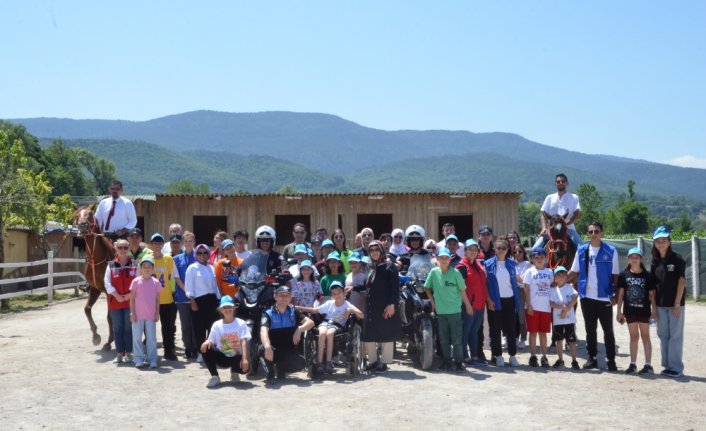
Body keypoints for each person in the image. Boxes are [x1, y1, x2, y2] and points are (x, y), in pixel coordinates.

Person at [568, 221, 619, 371]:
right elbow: (573, 272)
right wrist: (556, 280)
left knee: (608, 330)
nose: (593, 234)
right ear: (587, 234)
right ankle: (592, 358)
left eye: (596, 231)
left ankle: (611, 359)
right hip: (586, 297)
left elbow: (615, 274)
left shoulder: (611, 251)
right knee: (590, 330)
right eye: (590, 232)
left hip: (604, 297)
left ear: (601, 233)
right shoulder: (581, 251)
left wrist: (614, 293)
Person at [296, 281, 364, 374]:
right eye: (334, 293)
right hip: (325, 323)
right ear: (332, 295)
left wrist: (350, 310)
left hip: (338, 325)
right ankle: (320, 363)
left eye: (339, 292)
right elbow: (314, 310)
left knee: (330, 333)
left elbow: (361, 315)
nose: (337, 295)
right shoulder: (329, 303)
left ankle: (328, 362)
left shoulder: (347, 304)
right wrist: (297, 307)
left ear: (344, 292)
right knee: (322, 333)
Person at [424, 248, 473, 371]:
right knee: (444, 339)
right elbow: (427, 288)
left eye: (446, 258)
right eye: (441, 258)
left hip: (455, 312)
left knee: (456, 339)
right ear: (438, 259)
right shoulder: (434, 272)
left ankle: (458, 362)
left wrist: (467, 305)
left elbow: (462, 290)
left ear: (450, 259)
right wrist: (433, 302)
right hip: (441, 312)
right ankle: (446, 361)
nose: (444, 260)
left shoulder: (455, 273)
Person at [650, 226, 686, 377]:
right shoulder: (654, 262)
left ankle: (676, 367)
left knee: (675, 336)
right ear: (655, 244)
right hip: (660, 305)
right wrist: (653, 307)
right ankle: (667, 365)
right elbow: (652, 287)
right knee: (663, 335)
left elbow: (682, 281)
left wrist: (677, 303)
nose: (661, 243)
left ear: (669, 242)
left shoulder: (677, 259)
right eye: (658, 241)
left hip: (675, 305)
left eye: (664, 240)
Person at [361, 240, 400, 373]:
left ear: (382, 251)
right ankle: (372, 362)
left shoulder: (390, 267)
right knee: (369, 333)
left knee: (386, 333)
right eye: (371, 250)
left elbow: (395, 288)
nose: (374, 252)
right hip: (371, 305)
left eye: (377, 250)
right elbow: (368, 285)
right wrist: (353, 288)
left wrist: (392, 304)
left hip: (385, 305)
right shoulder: (370, 266)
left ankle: (384, 362)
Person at [260, 286, 315, 381]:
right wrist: (267, 346)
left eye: (287, 296)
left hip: (288, 349)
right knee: (262, 348)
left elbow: (311, 323)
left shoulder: (294, 312)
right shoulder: (268, 313)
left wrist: (299, 329)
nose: (284, 298)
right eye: (281, 295)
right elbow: (263, 331)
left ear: (290, 298)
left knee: (300, 363)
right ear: (275, 297)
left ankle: (281, 369)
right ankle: (270, 372)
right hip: (273, 348)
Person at [617, 247, 657, 375]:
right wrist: (619, 311)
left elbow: (652, 294)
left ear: (641, 259)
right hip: (630, 311)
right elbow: (621, 294)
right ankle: (633, 363)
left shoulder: (648, 275)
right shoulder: (624, 275)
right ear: (628, 259)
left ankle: (648, 364)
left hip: (644, 310)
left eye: (637, 257)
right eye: (632, 257)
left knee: (645, 336)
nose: (634, 260)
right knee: (633, 337)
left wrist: (654, 310)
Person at [484, 239, 521, 367]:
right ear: (494, 249)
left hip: (510, 299)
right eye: (498, 248)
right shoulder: (487, 264)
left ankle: (512, 355)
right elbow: (484, 285)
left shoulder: (512, 263)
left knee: (511, 329)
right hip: (495, 300)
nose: (501, 250)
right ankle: (498, 355)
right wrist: (488, 300)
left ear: (507, 250)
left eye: (503, 248)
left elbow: (519, 280)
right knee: (495, 329)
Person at [201, 295, 251, 388]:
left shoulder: (241, 323)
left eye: (230, 307)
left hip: (236, 357)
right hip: (222, 355)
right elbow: (211, 340)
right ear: (221, 310)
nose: (227, 309)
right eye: (224, 307)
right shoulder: (216, 324)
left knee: (245, 368)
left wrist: (245, 359)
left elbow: (244, 342)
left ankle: (235, 372)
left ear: (234, 308)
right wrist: (206, 343)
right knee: (206, 348)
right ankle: (214, 376)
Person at [186, 244, 221, 363]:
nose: (202, 255)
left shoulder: (211, 267)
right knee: (199, 329)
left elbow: (215, 287)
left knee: (212, 328)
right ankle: (201, 353)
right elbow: (189, 286)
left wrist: (218, 300)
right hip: (198, 301)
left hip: (212, 301)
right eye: (199, 253)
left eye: (205, 253)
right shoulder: (192, 268)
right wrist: (192, 301)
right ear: (196, 254)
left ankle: (211, 352)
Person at [103, 238, 136, 364]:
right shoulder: (110, 265)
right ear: (116, 249)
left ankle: (129, 353)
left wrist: (129, 295)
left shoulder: (134, 264)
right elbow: (107, 282)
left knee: (128, 328)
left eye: (125, 247)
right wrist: (116, 295)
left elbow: (138, 281)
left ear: (129, 249)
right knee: (117, 328)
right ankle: (119, 354)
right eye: (120, 247)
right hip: (115, 302)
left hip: (129, 302)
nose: (123, 250)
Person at [455, 239, 487, 366]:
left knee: (474, 331)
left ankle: (474, 356)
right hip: (468, 305)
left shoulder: (478, 265)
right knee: (465, 331)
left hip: (479, 304)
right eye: (470, 249)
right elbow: (460, 289)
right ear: (465, 251)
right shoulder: (462, 267)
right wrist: (467, 305)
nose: (473, 251)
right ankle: (464, 357)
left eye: (475, 249)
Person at [149, 233, 179, 361]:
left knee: (168, 327)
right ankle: (150, 353)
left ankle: (169, 351)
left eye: (159, 243)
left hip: (166, 298)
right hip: (149, 299)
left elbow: (174, 276)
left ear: (163, 244)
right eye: (155, 243)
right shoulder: (146, 259)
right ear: (151, 244)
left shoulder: (168, 259)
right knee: (149, 328)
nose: (157, 245)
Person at [534, 173, 582, 250]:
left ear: (567, 183)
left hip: (569, 229)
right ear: (555, 184)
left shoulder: (574, 197)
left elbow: (576, 214)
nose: (561, 183)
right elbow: (543, 214)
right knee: (535, 249)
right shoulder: (549, 198)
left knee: (583, 249)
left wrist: (565, 223)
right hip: (551, 230)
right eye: (558, 181)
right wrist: (544, 228)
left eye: (563, 181)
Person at [129, 256, 162, 369]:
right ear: (141, 268)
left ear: (153, 269)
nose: (147, 269)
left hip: (150, 315)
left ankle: (152, 359)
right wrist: (132, 313)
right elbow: (132, 298)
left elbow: (158, 299)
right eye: (144, 266)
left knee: (151, 338)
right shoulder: (135, 281)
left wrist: (157, 313)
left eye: (149, 267)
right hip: (138, 315)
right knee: (137, 337)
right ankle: (138, 359)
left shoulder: (156, 282)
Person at [523, 248, 554, 368]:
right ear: (532, 259)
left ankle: (544, 356)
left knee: (543, 333)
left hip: (545, 308)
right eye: (536, 257)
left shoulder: (549, 272)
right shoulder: (529, 272)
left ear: (545, 259)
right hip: (533, 307)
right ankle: (532, 356)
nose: (539, 260)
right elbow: (526, 288)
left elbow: (551, 286)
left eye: (541, 257)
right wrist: (529, 304)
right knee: (533, 332)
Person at [173, 231, 198, 359]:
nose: (188, 243)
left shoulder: (199, 257)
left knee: (196, 324)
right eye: (186, 241)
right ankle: (188, 347)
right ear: (182, 243)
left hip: (197, 296)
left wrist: (193, 292)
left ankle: (196, 347)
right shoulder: (176, 259)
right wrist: (186, 290)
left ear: (194, 242)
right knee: (185, 324)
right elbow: (176, 277)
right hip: (182, 297)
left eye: (191, 241)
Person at [549, 266, 580, 369]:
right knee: (559, 340)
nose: (561, 277)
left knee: (571, 340)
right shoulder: (553, 290)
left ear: (566, 277)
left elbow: (574, 298)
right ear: (555, 278)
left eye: (563, 275)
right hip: (557, 320)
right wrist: (561, 307)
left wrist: (566, 309)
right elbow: (551, 303)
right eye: (558, 275)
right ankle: (560, 359)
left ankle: (574, 360)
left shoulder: (569, 287)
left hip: (569, 320)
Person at [513, 244, 531, 349]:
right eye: (515, 252)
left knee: (521, 316)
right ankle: (515, 337)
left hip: (522, 290)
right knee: (513, 316)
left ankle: (523, 338)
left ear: (523, 253)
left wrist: (514, 276)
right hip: (513, 290)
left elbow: (523, 279)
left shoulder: (527, 263)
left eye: (519, 251)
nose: (517, 254)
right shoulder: (512, 262)